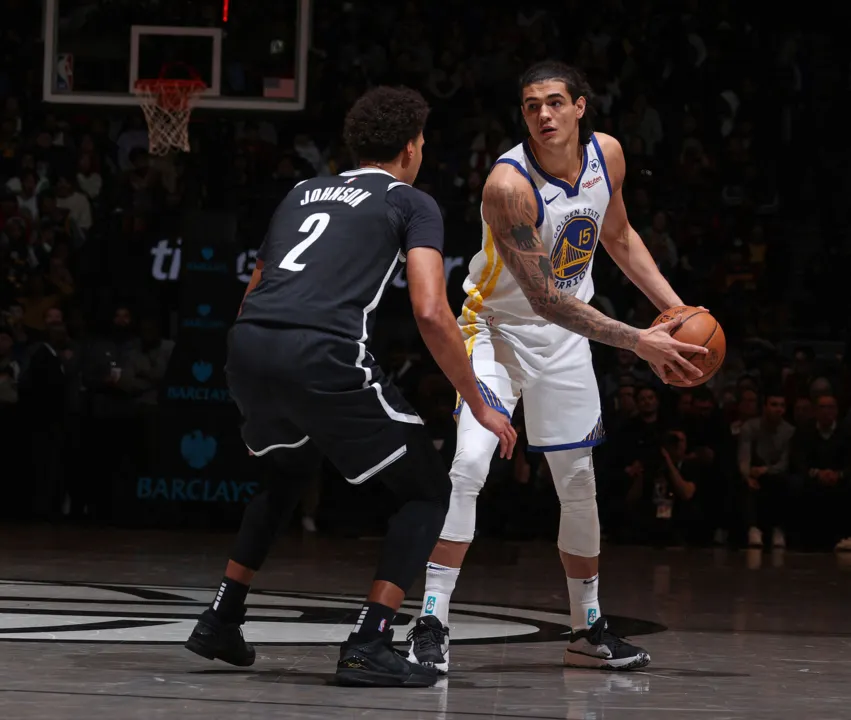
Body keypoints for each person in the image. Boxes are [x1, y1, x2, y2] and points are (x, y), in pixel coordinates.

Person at [183, 86, 516, 688]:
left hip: (249, 342)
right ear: (412, 146)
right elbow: (431, 311)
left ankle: (222, 617)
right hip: (320, 352)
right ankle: (369, 639)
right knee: (425, 490)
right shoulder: (413, 202)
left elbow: (254, 287)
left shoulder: (300, 192)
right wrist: (479, 401)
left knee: (286, 472)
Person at [407, 61, 707, 673]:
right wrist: (638, 342)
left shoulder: (609, 156)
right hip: (493, 330)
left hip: (566, 338)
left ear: (580, 107)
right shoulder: (508, 186)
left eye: (552, 103)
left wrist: (673, 310)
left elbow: (618, 237)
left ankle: (587, 628)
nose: (542, 115)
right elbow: (545, 298)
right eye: (529, 106)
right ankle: (430, 621)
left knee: (577, 480)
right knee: (468, 464)